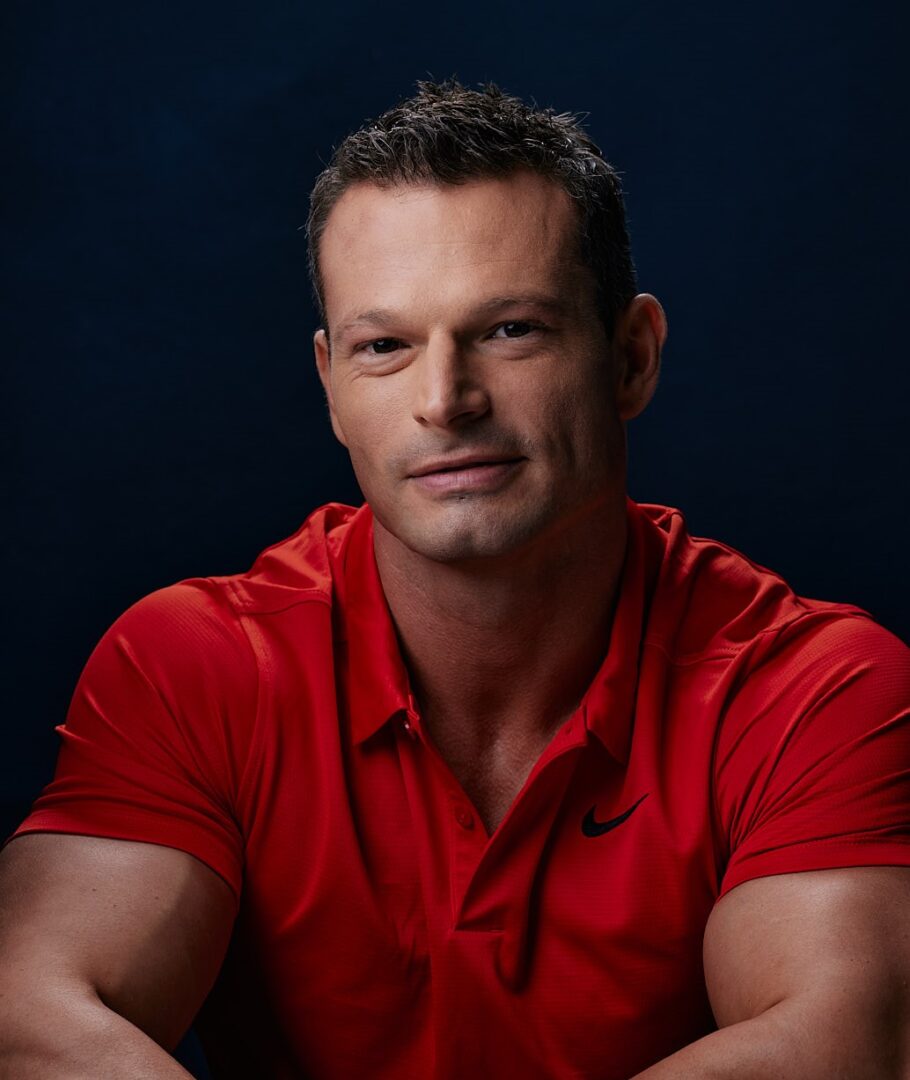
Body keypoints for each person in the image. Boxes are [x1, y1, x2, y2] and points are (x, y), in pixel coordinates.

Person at [1, 79, 908, 1080]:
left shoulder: (813, 687)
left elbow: (840, 1041)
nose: (445, 400)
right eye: (385, 347)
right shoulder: (199, 664)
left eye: (509, 329)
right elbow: (34, 1015)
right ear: (331, 389)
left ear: (631, 359)